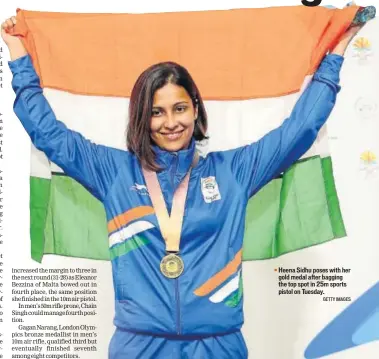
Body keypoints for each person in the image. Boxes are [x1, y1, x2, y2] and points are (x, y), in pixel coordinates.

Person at [1, 13, 365, 359]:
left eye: (179, 108)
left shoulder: (232, 172)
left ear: (195, 109)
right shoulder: (113, 171)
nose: (170, 122)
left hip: (217, 345)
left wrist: (338, 49)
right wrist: (17, 52)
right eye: (157, 112)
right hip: (139, 346)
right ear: (142, 117)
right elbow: (47, 132)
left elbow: (299, 129)